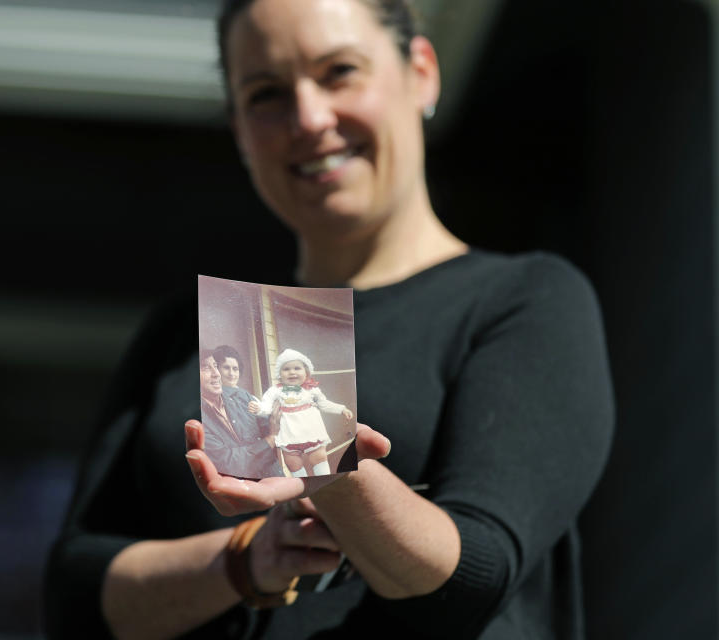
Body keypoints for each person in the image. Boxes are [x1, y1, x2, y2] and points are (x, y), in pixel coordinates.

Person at [43, 0, 614, 638]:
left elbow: (471, 575)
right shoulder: (187, 333)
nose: (309, 118)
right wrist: (245, 559)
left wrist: (323, 462)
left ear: (420, 71)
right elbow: (76, 595)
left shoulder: (524, 299)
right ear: (238, 129)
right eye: (266, 94)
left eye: (339, 71)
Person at [249, 348, 354, 477]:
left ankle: (324, 480)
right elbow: (267, 404)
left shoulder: (312, 389)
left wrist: (341, 409)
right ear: (279, 374)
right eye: (286, 369)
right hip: (289, 433)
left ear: (306, 372)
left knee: (319, 456)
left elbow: (324, 404)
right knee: (292, 462)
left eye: (297, 368)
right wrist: (259, 408)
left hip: (310, 429)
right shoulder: (275, 390)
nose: (292, 372)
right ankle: (303, 485)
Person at [199, 349, 283, 479]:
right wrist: (271, 439)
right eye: (205, 367)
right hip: (244, 487)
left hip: (273, 474)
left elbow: (270, 426)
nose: (216, 374)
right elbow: (227, 463)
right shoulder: (200, 418)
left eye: (215, 366)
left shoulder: (243, 396)